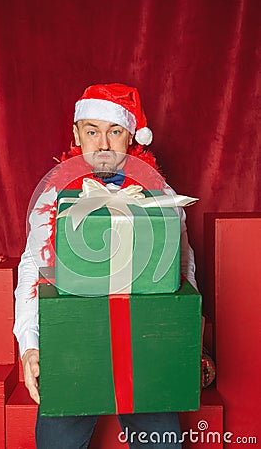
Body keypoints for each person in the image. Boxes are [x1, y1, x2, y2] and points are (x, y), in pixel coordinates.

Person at [13, 83, 198, 448]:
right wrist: (30, 345)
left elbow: (183, 267)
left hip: (143, 345)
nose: (102, 144)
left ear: (131, 136)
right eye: (92, 131)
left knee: (162, 443)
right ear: (76, 135)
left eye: (114, 131)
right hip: (74, 344)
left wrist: (189, 338)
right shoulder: (53, 197)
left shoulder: (160, 195)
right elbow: (32, 270)